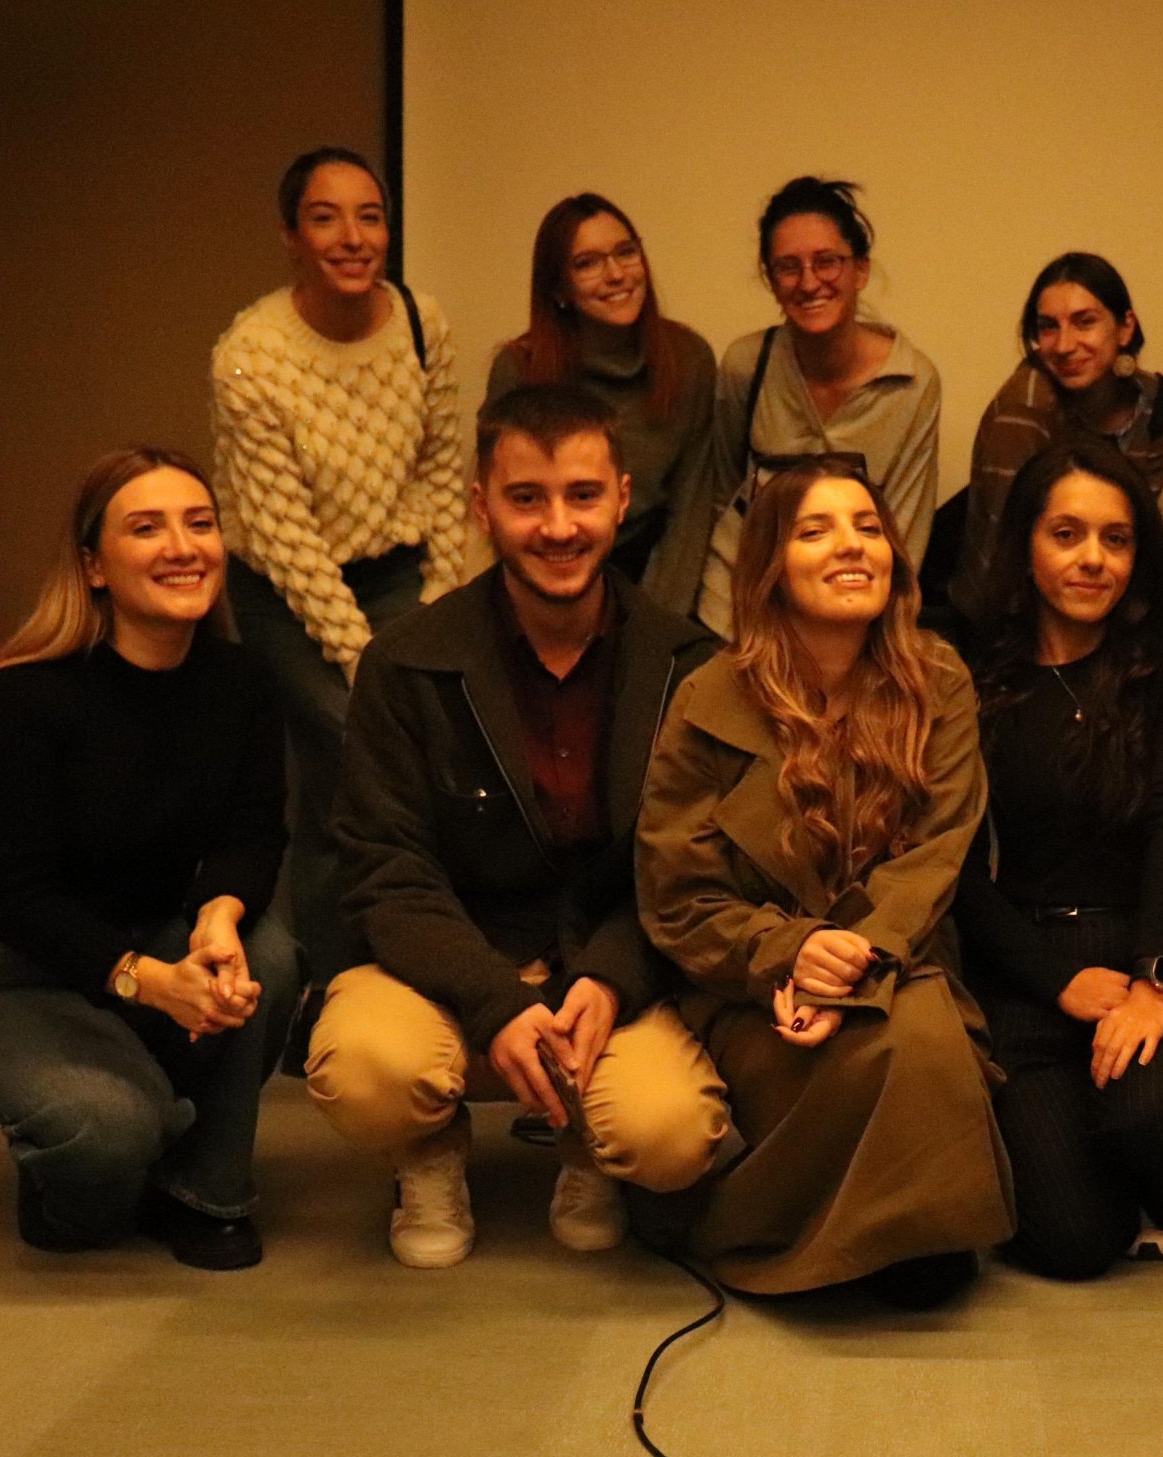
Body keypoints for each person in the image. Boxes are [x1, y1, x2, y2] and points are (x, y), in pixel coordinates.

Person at [302, 385, 732, 1268]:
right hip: (449, 963)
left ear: (621, 498)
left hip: (608, 963)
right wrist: (495, 997)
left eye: (582, 495)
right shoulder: (404, 661)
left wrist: (611, 977)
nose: (558, 526)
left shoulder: (690, 665)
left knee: (671, 1134)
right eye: (527, 498)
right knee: (363, 1069)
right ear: (482, 506)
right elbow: (385, 868)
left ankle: (590, 1149)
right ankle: (426, 1152)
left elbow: (690, 867)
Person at [0, 448, 297, 1269]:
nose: (182, 547)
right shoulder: (24, 696)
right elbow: (17, 891)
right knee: (109, 1133)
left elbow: (254, 833)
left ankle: (205, 1191)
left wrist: (219, 916)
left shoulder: (243, 679)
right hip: (8, 974)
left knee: (263, 953)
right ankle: (119, 1133)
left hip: (147, 941)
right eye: (146, 528)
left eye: (200, 523)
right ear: (93, 566)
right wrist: (147, 981)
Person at [637, 460, 1010, 1305]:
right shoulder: (707, 699)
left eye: (868, 527)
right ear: (770, 568)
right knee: (890, 1051)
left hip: (899, 958)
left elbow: (937, 852)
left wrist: (850, 961)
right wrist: (789, 953)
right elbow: (678, 892)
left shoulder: (939, 680)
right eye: (816, 531)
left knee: (920, 1035)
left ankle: (893, 1233)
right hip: (748, 982)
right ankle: (761, 1230)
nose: (851, 545)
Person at [955, 443, 1163, 1276]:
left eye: (1116, 538)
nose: (1092, 559)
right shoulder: (972, 670)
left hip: (1148, 942)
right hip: (1028, 964)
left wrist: (1153, 981)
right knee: (1072, 1244)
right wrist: (1055, 979)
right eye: (1067, 534)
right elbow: (950, 864)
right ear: (1025, 543)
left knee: (1154, 1116)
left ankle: (1157, 1164)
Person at [211, 145, 469, 988]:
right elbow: (287, 540)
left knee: (426, 755)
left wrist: (437, 605)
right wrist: (371, 663)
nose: (354, 238)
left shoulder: (423, 323)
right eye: (326, 218)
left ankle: (422, 967)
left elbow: (441, 472)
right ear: (291, 236)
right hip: (288, 590)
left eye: (371, 216)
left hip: (397, 576)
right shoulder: (251, 356)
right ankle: (333, 986)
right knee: (352, 752)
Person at [667, 177, 941, 641]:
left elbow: (903, 536)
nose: (809, 282)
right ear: (771, 280)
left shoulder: (912, 383)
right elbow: (722, 495)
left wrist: (876, 638)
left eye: (827, 261)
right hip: (736, 613)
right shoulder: (746, 365)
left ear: (860, 270)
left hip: (850, 617)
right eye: (788, 267)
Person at [486, 193, 720, 595]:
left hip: (651, 568)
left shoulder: (688, 359)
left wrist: (656, 619)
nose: (615, 274)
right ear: (558, 289)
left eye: (626, 253)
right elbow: (503, 509)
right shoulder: (521, 368)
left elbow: (692, 508)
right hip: (548, 561)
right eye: (587, 263)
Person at [949, 254, 1163, 633]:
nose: (1063, 345)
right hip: (1006, 620)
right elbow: (999, 557)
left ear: (1125, 328)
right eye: (1048, 327)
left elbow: (1132, 533)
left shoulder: (1159, 409)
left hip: (1107, 606)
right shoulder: (1022, 408)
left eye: (1084, 322)